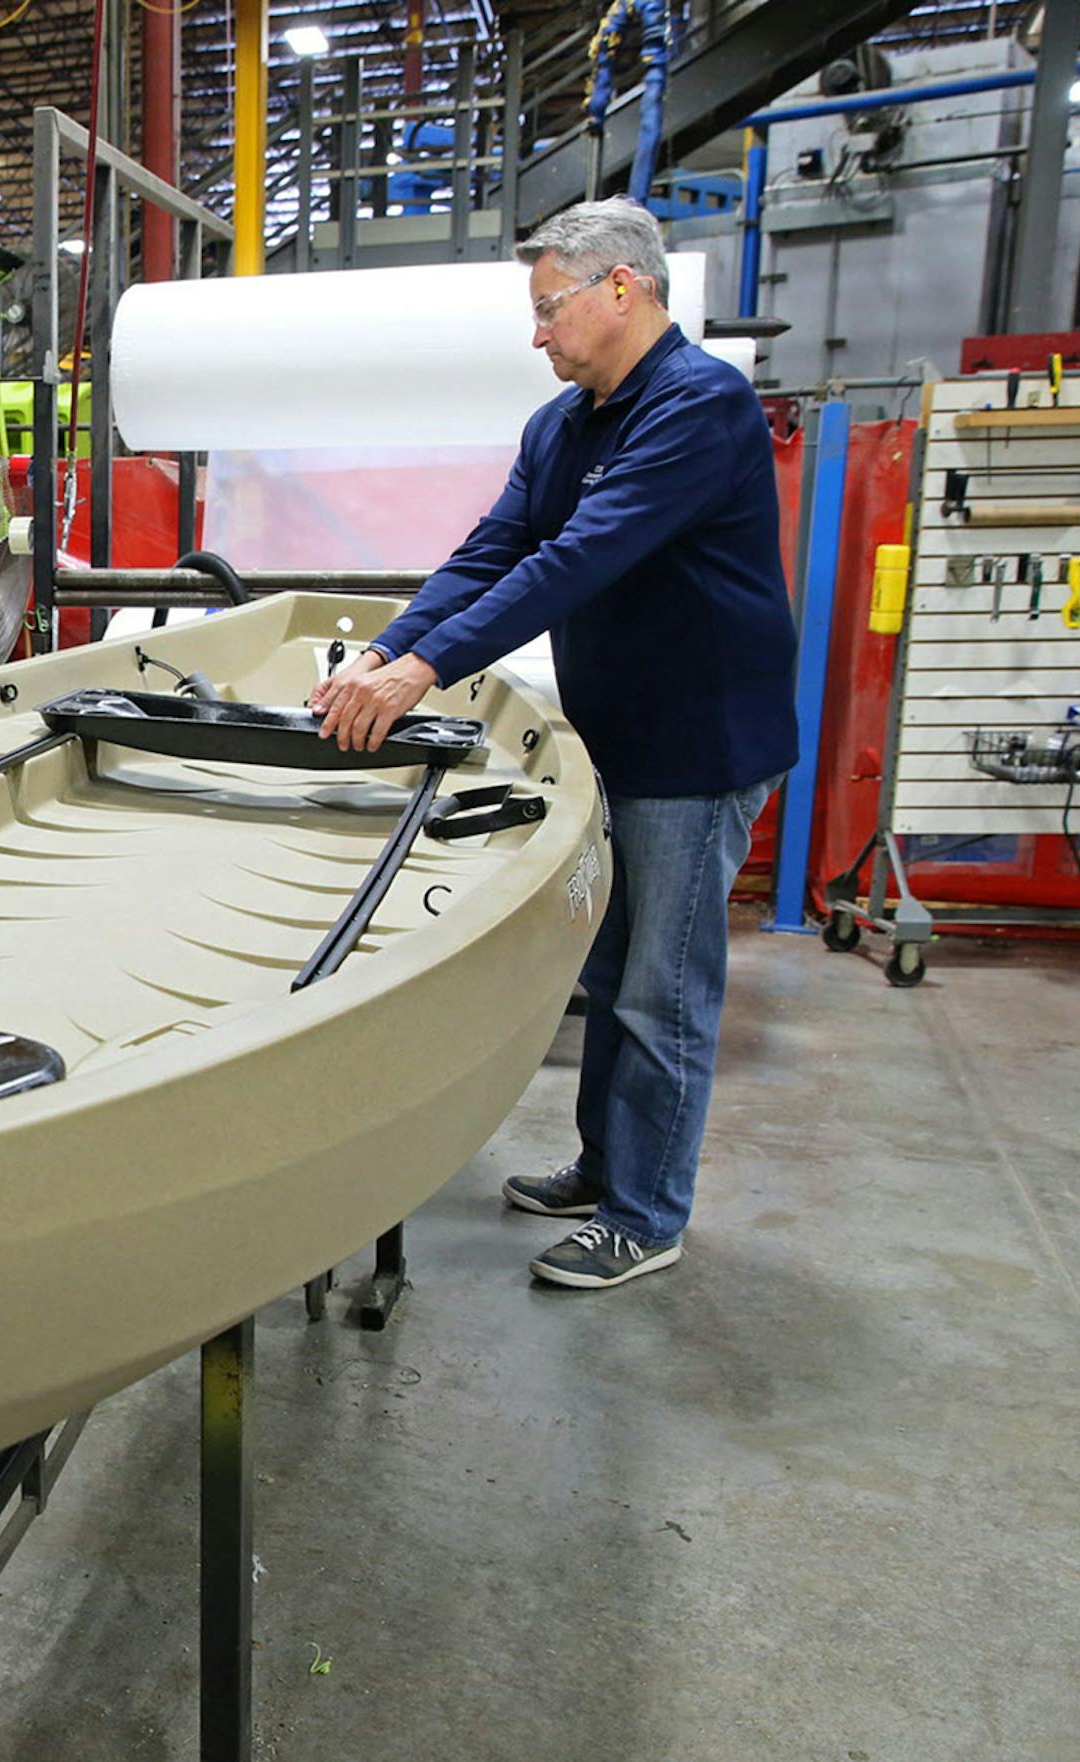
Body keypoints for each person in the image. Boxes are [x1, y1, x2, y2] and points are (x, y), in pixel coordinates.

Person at [311, 197, 797, 1291]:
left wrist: (422, 672)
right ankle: (605, 1165)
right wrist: (381, 648)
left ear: (622, 287)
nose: (538, 334)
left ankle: (646, 1212)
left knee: (660, 988)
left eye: (549, 307)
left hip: (697, 745)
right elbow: (491, 551)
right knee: (614, 966)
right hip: (618, 737)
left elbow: (573, 562)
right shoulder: (566, 423)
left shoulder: (700, 408)